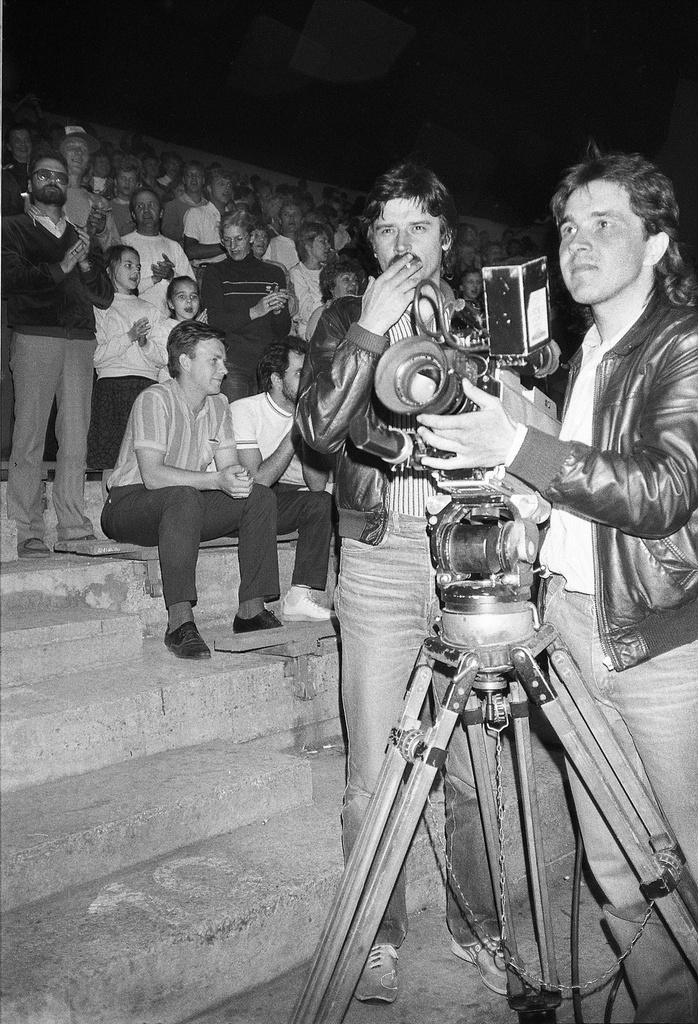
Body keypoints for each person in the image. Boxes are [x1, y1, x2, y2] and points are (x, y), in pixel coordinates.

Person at [417, 150, 698, 1023]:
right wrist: (525, 496)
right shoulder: (589, 347)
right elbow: (582, 488)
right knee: (616, 862)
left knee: (687, 856)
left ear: (657, 243)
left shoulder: (683, 342)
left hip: (659, 641)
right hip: (569, 627)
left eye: (604, 224)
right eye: (569, 227)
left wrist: (519, 448)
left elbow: (661, 492)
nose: (578, 242)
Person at [297, 163, 507, 1004]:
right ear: (371, 242)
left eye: (419, 226)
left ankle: (479, 925)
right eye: (387, 229)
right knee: (372, 768)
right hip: (382, 560)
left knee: (470, 768)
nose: (402, 243)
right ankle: (375, 934)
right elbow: (317, 430)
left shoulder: (482, 317)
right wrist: (370, 334)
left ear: (445, 237)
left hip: (465, 557)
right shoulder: (350, 314)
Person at [102, 320, 285, 658]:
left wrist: (235, 477)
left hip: (184, 506)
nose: (224, 369)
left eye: (224, 361)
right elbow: (153, 477)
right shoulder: (154, 399)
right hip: (129, 504)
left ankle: (251, 611)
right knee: (185, 495)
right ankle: (179, 623)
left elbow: (229, 467)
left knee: (258, 495)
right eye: (214, 360)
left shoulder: (218, 406)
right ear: (185, 362)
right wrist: (216, 480)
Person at [2, 151, 114, 557]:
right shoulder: (10, 228)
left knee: (74, 437)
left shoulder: (82, 235)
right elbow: (9, 279)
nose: (53, 180)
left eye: (60, 177)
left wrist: (85, 263)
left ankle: (71, 523)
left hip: (81, 340)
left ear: (68, 188)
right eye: (44, 174)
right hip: (36, 336)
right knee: (30, 435)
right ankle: (28, 529)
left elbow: (104, 295)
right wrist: (62, 267)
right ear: (29, 183)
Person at [230, 338, 334, 621]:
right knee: (262, 496)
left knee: (322, 503)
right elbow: (256, 483)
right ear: (276, 379)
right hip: (243, 504)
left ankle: (298, 596)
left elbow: (316, 487)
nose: (308, 379)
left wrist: (307, 434)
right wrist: (293, 436)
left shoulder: (307, 411)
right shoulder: (244, 410)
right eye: (300, 373)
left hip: (277, 500)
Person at [86, 245, 169, 487]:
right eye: (128, 265)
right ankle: (107, 514)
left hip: (145, 387)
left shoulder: (150, 310)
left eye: (138, 266)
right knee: (110, 459)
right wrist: (129, 337)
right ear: (111, 271)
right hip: (111, 387)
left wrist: (143, 344)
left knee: (145, 458)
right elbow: (96, 357)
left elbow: (162, 358)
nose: (135, 271)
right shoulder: (101, 308)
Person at [201, 210, 291, 403]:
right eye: (227, 240)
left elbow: (282, 330)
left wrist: (278, 311)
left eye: (239, 239)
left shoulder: (274, 273)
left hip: (267, 366)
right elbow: (214, 321)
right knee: (235, 428)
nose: (232, 247)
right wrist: (255, 311)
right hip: (232, 363)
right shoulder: (215, 272)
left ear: (251, 238)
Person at [121, 188, 194, 315]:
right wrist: (154, 279)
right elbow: (119, 289)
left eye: (151, 205)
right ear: (133, 215)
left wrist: (171, 275)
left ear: (161, 212)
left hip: (169, 321)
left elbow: (191, 287)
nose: (146, 210)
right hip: (134, 318)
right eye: (140, 206)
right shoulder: (123, 244)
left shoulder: (173, 246)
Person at [59, 126, 120, 253]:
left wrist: (102, 231)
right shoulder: (45, 195)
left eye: (84, 150)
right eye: (71, 147)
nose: (79, 152)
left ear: (88, 162)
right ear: (60, 155)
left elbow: (116, 252)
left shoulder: (100, 203)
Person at [289, 220, 334, 339]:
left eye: (327, 241)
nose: (328, 246)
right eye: (322, 241)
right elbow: (306, 312)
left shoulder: (329, 271)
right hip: (309, 336)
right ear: (308, 246)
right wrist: (330, 302)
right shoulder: (297, 273)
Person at [305, 254, 366, 340]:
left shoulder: (362, 312)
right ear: (331, 287)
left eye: (355, 280)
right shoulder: (322, 315)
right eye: (346, 279)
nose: (354, 284)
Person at [182, 169, 233, 269]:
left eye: (229, 185)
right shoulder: (197, 213)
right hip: (205, 271)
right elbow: (190, 251)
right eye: (221, 184)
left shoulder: (233, 217)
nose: (226, 188)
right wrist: (226, 246)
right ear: (209, 188)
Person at [161, 160, 207, 244]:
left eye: (198, 175)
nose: (193, 178)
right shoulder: (173, 205)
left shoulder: (209, 206)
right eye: (189, 175)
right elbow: (167, 233)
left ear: (203, 180)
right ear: (184, 180)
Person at [263, 199, 302, 273]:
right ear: (280, 220)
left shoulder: (309, 243)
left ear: (302, 219)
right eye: (286, 214)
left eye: (295, 214)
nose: (291, 218)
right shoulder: (272, 244)